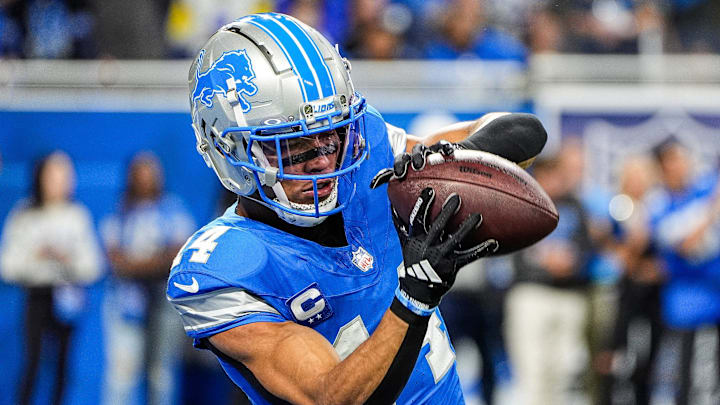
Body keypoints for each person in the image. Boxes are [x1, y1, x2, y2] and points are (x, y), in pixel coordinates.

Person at [167, 12, 547, 404]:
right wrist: (415, 296)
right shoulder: (222, 269)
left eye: (330, 136)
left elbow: (522, 132)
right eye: (293, 147)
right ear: (230, 149)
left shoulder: (366, 156)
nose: (322, 162)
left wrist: (451, 162)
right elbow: (329, 396)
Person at [0, 151, 103, 405]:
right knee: (31, 365)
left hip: (67, 300)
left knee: (63, 369)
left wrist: (63, 261)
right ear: (40, 176)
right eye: (54, 173)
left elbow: (93, 266)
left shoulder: (77, 215)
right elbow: (9, 266)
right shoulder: (24, 214)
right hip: (36, 298)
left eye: (66, 173)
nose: (61, 180)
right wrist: (43, 261)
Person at [101, 152, 195, 405]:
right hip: (126, 304)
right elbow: (116, 261)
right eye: (140, 173)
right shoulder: (120, 212)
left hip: (164, 303)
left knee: (161, 375)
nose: (146, 178)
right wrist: (154, 260)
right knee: (121, 377)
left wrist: (138, 263)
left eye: (151, 172)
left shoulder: (173, 209)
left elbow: (178, 255)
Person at [505, 150, 593, 405]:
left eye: (559, 174)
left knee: (564, 372)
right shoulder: (519, 202)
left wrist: (571, 262)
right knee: (532, 371)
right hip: (532, 294)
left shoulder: (576, 206)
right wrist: (546, 261)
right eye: (550, 173)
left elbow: (588, 250)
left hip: (569, 295)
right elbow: (512, 251)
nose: (556, 180)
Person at [647, 138, 720, 405]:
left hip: (716, 293)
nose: (681, 165)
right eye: (673, 160)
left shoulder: (705, 188)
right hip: (687, 302)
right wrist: (711, 212)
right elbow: (686, 245)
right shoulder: (658, 204)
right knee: (690, 378)